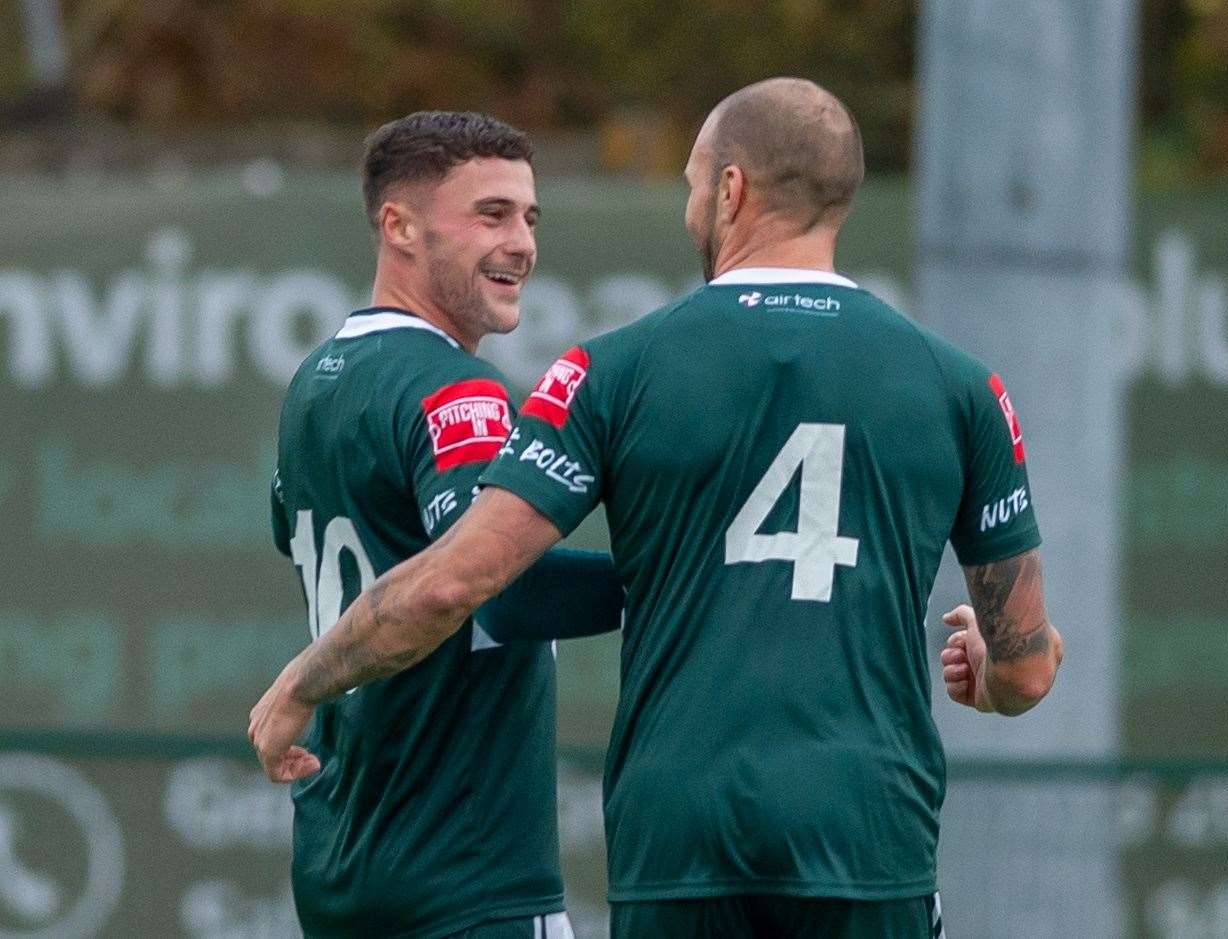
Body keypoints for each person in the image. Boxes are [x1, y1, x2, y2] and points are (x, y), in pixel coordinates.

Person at [252, 79, 1065, 938]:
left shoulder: (610, 370)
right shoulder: (965, 387)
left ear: (731, 189)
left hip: (674, 838)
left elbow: (461, 577)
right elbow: (1023, 674)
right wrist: (1013, 651)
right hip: (871, 831)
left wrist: (304, 677)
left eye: (689, 185)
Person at [262, 110, 622, 939]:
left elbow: (299, 538)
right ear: (400, 226)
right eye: (490, 213)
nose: (523, 241)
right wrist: (682, 572)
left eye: (530, 217)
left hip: (343, 860)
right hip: (467, 869)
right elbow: (505, 590)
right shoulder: (454, 387)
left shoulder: (315, 381)